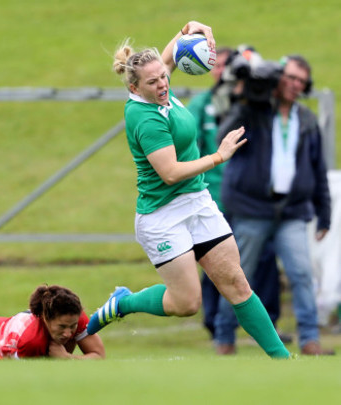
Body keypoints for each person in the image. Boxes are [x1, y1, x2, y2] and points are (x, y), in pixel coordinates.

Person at [86, 21, 291, 359]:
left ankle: (284, 361)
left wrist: (194, 30)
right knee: (187, 303)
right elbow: (169, 173)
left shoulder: (156, 82)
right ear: (135, 89)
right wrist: (218, 156)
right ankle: (122, 303)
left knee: (236, 284)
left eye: (164, 77)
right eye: (153, 82)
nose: (163, 84)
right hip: (162, 216)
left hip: (197, 203)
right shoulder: (144, 117)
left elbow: (169, 55)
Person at [213, 54, 334, 356]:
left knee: (302, 274)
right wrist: (245, 101)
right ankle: (224, 339)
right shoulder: (253, 112)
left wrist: (325, 215)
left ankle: (309, 340)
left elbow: (318, 170)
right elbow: (221, 136)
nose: (295, 85)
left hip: (292, 211)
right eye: (290, 78)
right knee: (236, 275)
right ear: (277, 79)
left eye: (301, 82)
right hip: (252, 209)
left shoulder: (305, 119)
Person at [188, 47, 286, 343]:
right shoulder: (202, 104)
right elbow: (188, 147)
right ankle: (215, 324)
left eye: (224, 67)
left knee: (264, 259)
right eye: (215, 67)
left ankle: (267, 323)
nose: (220, 73)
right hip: (212, 197)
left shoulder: (257, 105)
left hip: (246, 198)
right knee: (214, 264)